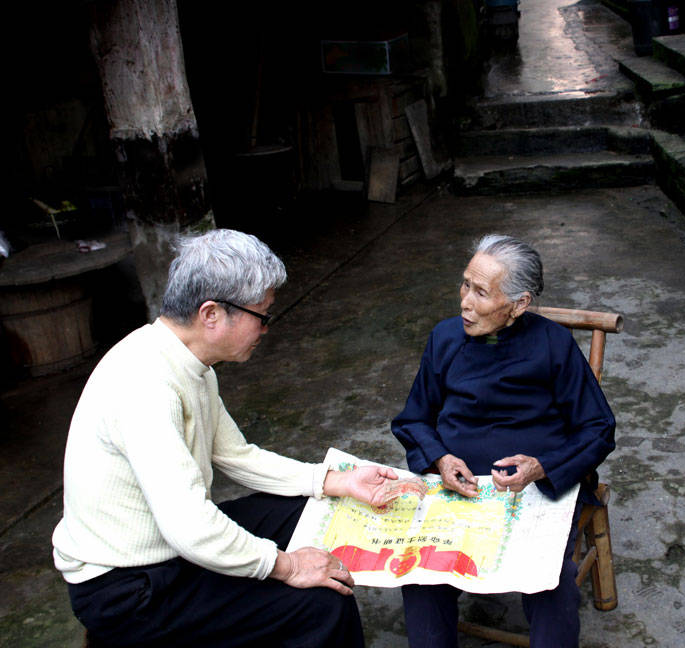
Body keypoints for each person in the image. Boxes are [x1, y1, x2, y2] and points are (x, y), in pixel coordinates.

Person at [52, 228, 425, 647]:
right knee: (322, 607)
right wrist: (286, 566)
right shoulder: (147, 386)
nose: (266, 328)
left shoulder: (191, 364)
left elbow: (238, 457)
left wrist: (336, 481)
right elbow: (190, 527)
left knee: (308, 512)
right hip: (130, 588)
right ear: (211, 314)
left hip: (169, 548)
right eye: (261, 315)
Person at [391, 234, 616, 648]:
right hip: (460, 491)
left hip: (538, 492)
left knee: (551, 583)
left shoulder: (553, 344)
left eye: (481, 292)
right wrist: (439, 457)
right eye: (465, 285)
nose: (465, 301)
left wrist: (542, 466)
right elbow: (414, 418)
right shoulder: (445, 338)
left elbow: (598, 428)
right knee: (422, 578)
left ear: (520, 304)